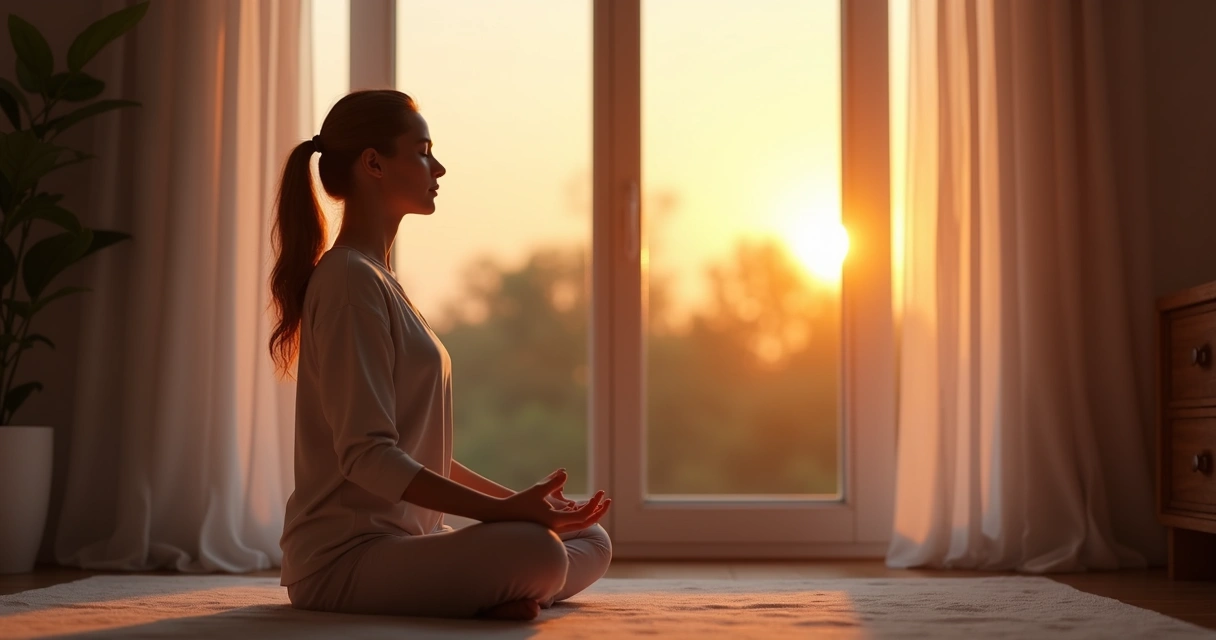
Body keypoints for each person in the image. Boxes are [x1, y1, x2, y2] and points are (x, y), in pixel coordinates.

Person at [267, 89, 612, 621]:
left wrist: (524, 504)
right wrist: (501, 515)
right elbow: (366, 455)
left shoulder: (377, 278)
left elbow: (416, 449)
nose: (439, 167)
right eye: (423, 150)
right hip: (343, 560)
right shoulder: (347, 281)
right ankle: (498, 588)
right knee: (538, 551)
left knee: (588, 539)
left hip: (408, 543)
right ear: (373, 163)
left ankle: (498, 590)